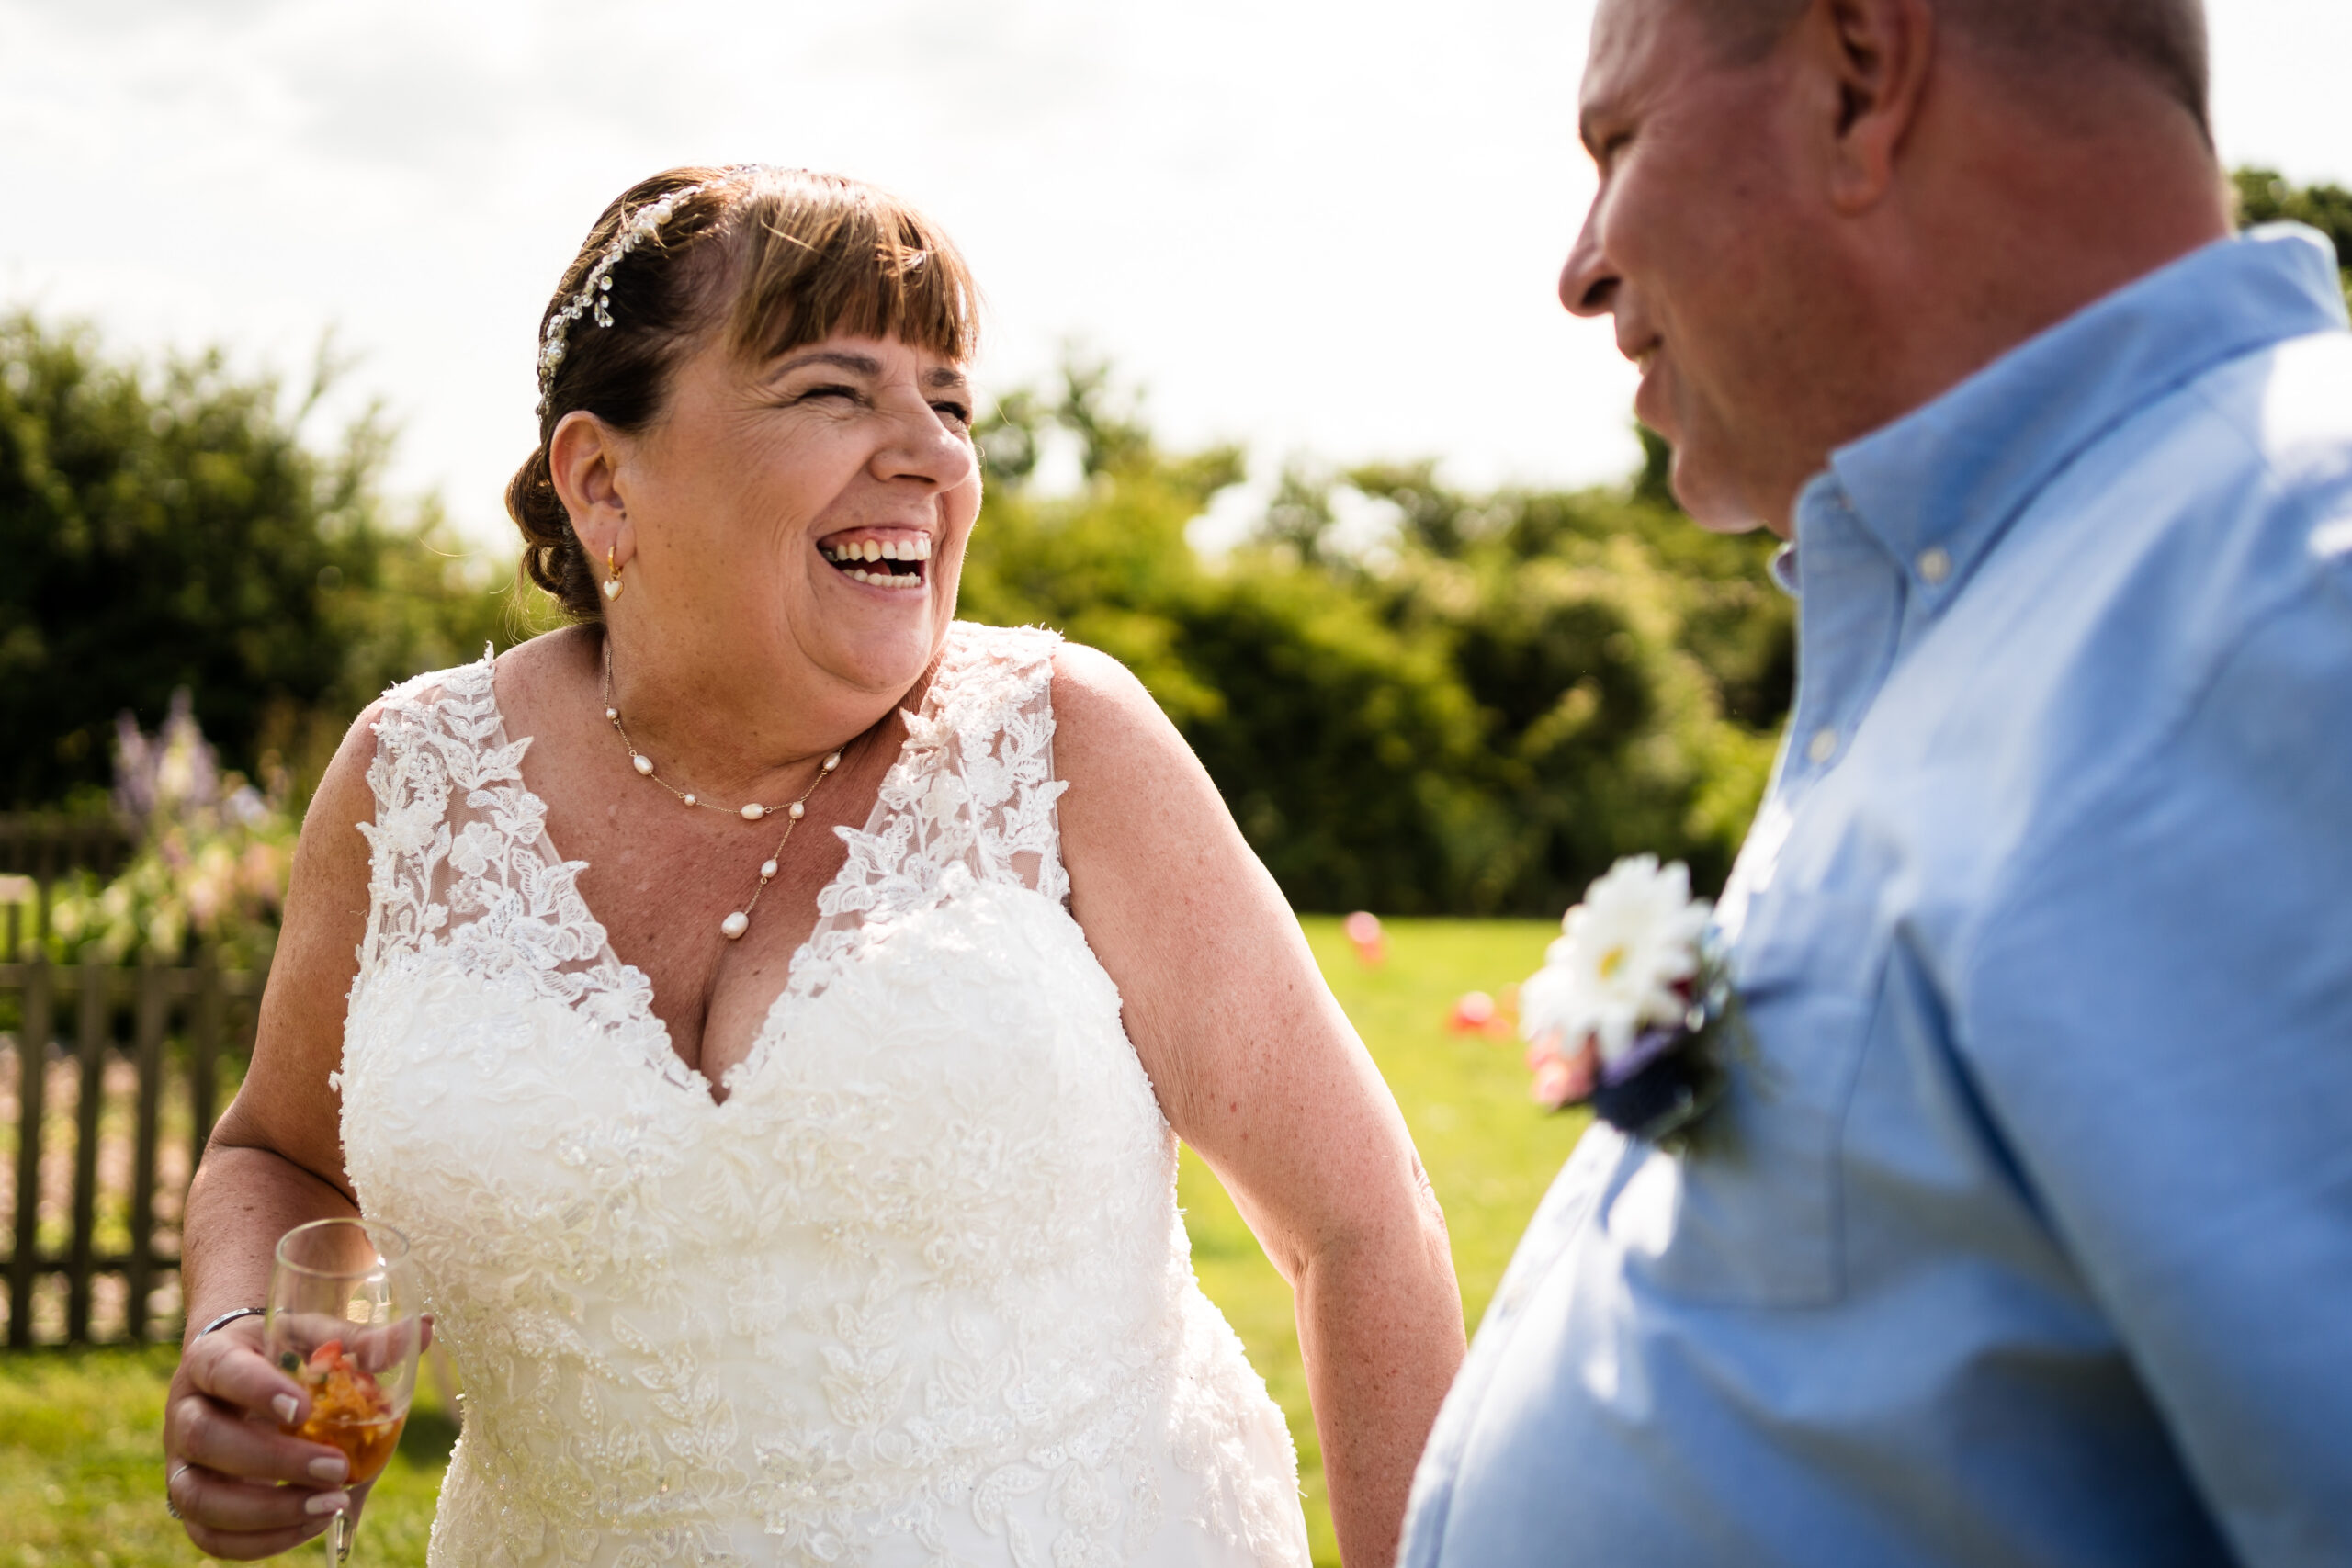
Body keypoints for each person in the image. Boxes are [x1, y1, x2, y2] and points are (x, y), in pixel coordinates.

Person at [162, 164, 1467, 1566]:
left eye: (950, 402)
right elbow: (278, 1155)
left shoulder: (1064, 744)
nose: (932, 455)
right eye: (836, 391)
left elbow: (1361, 1227)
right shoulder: (413, 781)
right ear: (601, 480)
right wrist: (243, 1341)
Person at [1401, 1, 2352, 1564]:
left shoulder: (2271, 594)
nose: (1582, 269)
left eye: (1620, 143)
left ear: (1859, 76)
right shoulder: (2026, 593)